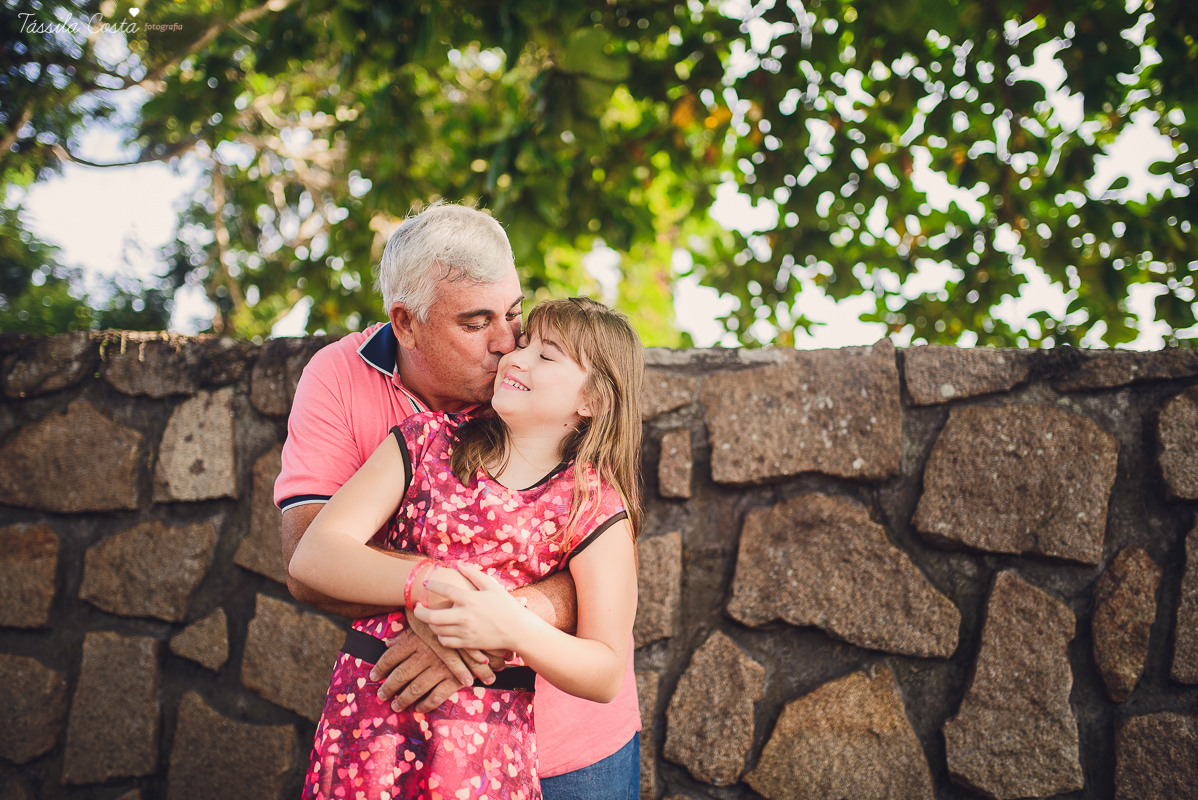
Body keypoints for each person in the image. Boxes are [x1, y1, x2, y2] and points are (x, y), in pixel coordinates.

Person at [276, 204, 642, 797]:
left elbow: (602, 605)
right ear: (407, 323)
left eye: (515, 318)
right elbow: (311, 563)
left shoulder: (583, 479)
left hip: (566, 747)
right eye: (475, 324)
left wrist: (493, 624)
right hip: (392, 739)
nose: (508, 346)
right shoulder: (399, 424)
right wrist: (448, 596)